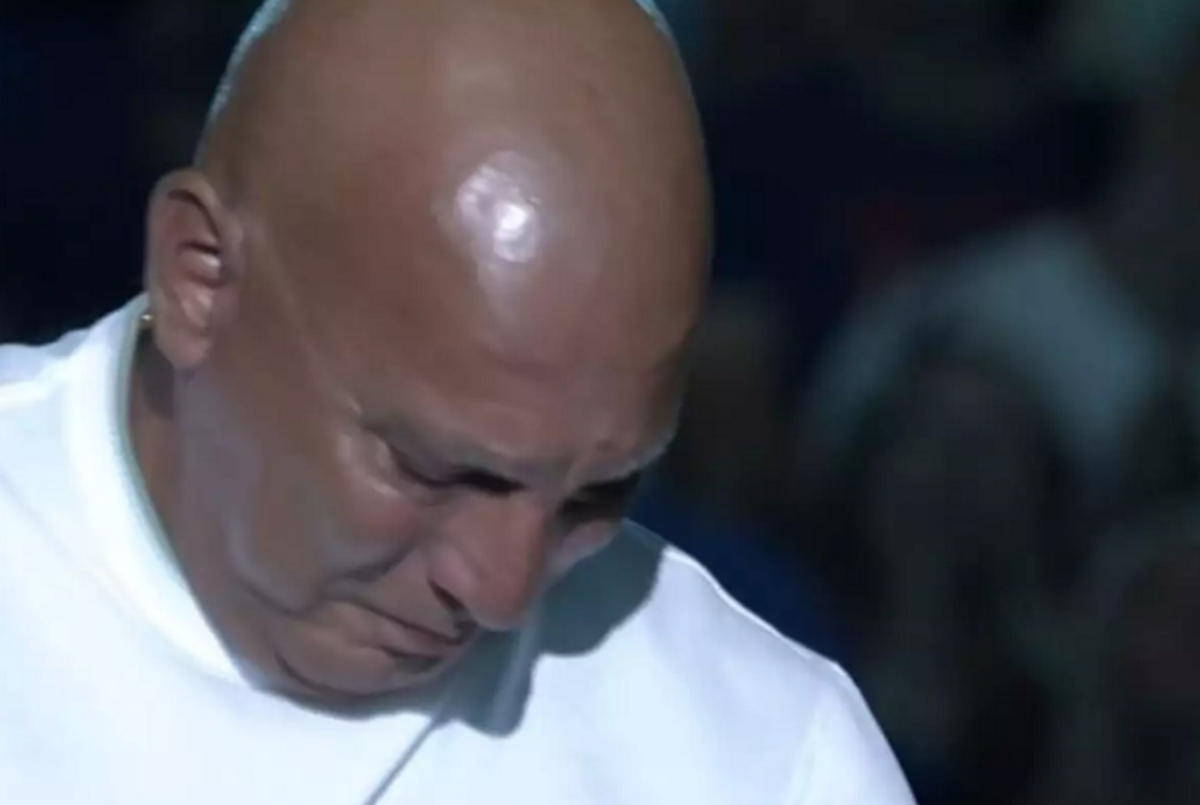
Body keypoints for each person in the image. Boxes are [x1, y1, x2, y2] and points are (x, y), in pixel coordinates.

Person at [0, 1, 913, 802]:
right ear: (199, 278)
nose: (503, 592)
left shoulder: (766, 763)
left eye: (597, 494)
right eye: (437, 467)